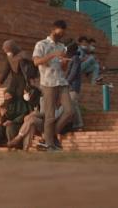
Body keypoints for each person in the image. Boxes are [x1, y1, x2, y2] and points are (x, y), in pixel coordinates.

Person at [32, 20, 73, 152]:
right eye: (59, 31)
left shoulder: (62, 46)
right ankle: (49, 145)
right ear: (53, 29)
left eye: (63, 32)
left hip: (61, 81)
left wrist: (64, 62)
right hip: (48, 83)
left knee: (69, 111)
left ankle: (50, 136)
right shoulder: (41, 44)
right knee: (49, 116)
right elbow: (36, 62)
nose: (61, 34)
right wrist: (52, 55)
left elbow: (63, 68)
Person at [65, 42, 84, 131]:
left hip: (73, 86)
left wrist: (66, 82)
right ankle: (74, 124)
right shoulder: (72, 58)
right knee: (71, 105)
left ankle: (79, 124)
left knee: (74, 104)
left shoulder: (75, 59)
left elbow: (73, 73)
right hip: (70, 86)